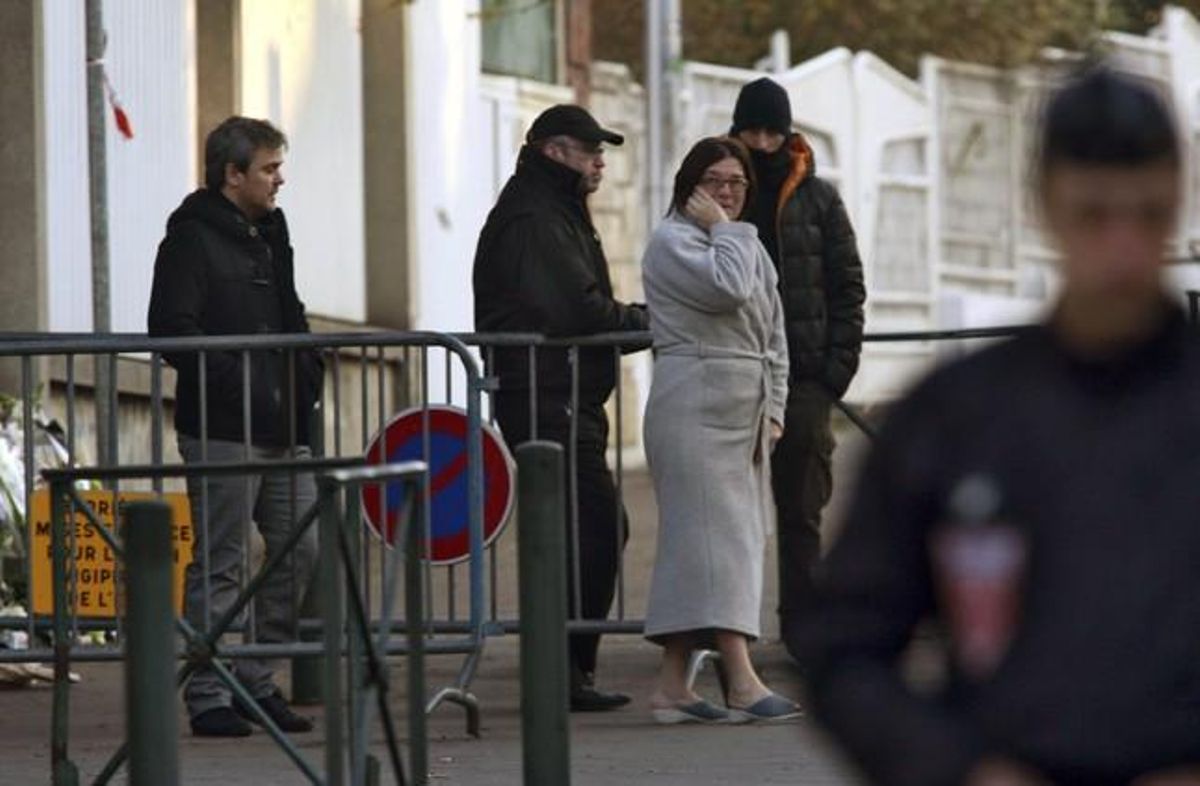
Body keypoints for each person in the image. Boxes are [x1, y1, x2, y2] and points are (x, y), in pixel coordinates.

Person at [792, 66, 1200, 785]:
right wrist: (960, 769)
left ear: (1178, 200)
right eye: (1096, 214)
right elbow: (843, 647)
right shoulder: (959, 418)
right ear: (1047, 205)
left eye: (1148, 213)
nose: (1124, 247)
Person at [148, 116, 322, 737]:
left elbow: (291, 314)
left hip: (281, 426)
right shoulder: (190, 240)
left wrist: (306, 374)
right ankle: (208, 692)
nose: (280, 180)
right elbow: (172, 329)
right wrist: (242, 383)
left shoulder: (271, 232)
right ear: (233, 174)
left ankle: (254, 678)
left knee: (301, 547)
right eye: (270, 169)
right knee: (222, 562)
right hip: (222, 426)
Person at [472, 104, 649, 711]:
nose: (600, 160)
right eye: (588, 149)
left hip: (564, 393)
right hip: (547, 393)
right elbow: (578, 308)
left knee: (583, 531)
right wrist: (649, 323)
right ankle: (560, 671)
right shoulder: (534, 216)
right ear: (553, 151)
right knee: (591, 528)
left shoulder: (555, 209)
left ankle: (568, 672)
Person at [640, 136, 799, 724]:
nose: (727, 192)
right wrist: (727, 230)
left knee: (704, 546)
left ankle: (671, 688)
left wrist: (776, 406)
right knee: (717, 545)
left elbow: (773, 332)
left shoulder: (745, 244)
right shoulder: (672, 242)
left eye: (736, 183)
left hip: (744, 411)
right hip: (694, 407)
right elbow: (727, 289)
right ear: (690, 184)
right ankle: (741, 678)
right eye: (715, 181)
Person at [730, 77, 867, 646]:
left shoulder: (818, 195)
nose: (762, 142)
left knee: (802, 509)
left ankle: (805, 630)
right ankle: (724, 634)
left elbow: (848, 285)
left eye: (772, 130)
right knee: (728, 516)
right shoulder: (713, 185)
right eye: (752, 130)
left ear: (788, 132)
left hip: (806, 377)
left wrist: (835, 372)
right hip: (733, 370)